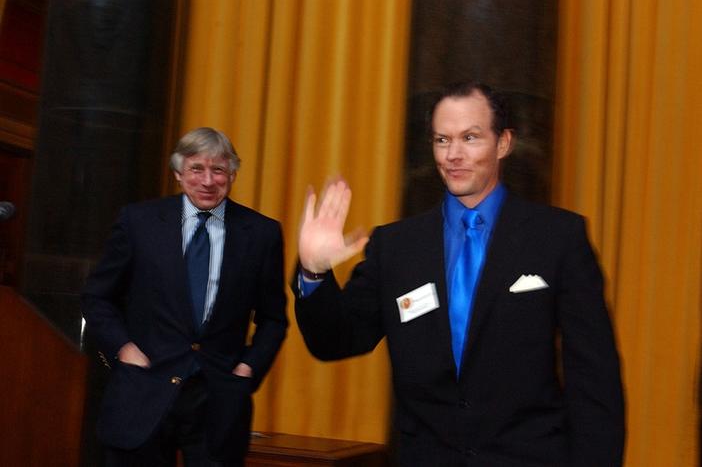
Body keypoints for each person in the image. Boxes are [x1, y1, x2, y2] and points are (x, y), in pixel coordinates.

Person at [293, 82, 625, 466]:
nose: (454, 155)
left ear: (503, 143)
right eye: (442, 139)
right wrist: (314, 272)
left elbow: (595, 383)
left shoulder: (558, 238)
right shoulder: (396, 246)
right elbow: (335, 341)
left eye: (470, 137)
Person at [83, 127, 288, 466]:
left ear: (233, 174)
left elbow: (274, 318)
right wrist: (123, 349)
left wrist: (248, 368)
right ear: (178, 174)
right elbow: (97, 297)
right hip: (142, 392)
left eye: (218, 170)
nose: (208, 181)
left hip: (218, 402)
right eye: (196, 169)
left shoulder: (262, 233)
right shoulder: (139, 221)